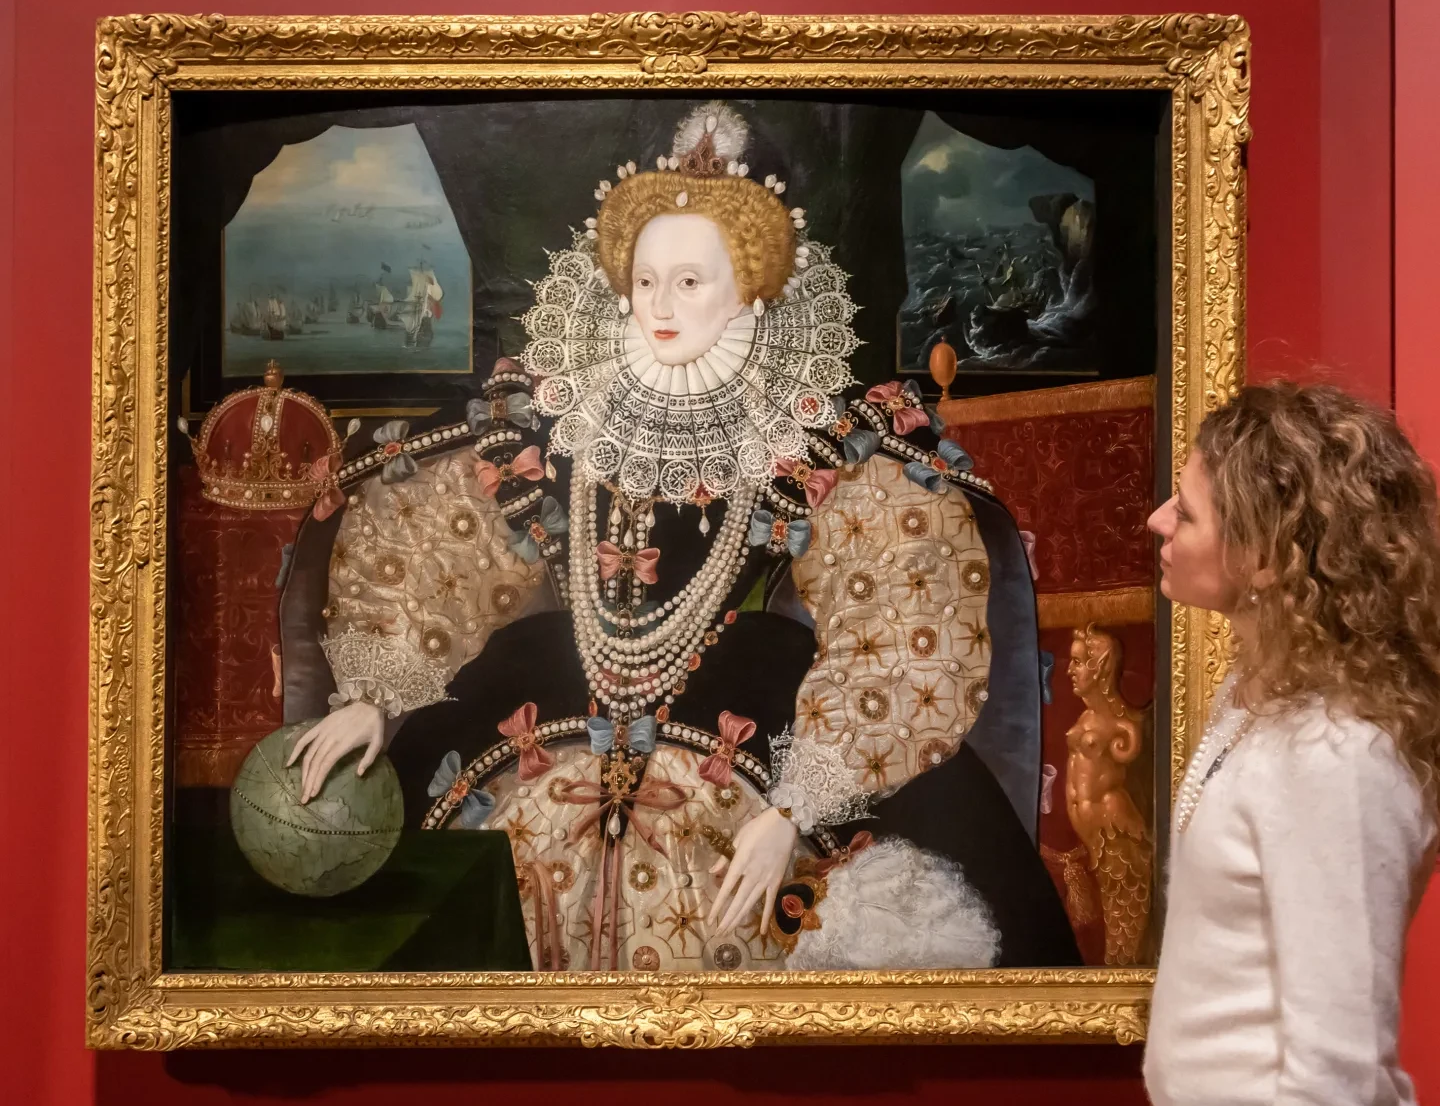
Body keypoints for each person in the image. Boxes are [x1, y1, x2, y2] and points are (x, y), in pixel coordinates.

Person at [277, 100, 1080, 973]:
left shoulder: (817, 432)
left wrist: (794, 810)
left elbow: (893, 608)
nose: (659, 305)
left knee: (822, 905)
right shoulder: (550, 413)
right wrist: (379, 691)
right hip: (550, 683)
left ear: (751, 287)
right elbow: (444, 543)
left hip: (754, 696)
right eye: (647, 280)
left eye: (690, 282)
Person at [1126, 383, 1440, 1106]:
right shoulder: (1258, 702)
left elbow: (1338, 1067)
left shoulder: (1336, 754)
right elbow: (1228, 974)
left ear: (1266, 555)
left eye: (1186, 511)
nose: (1157, 521)